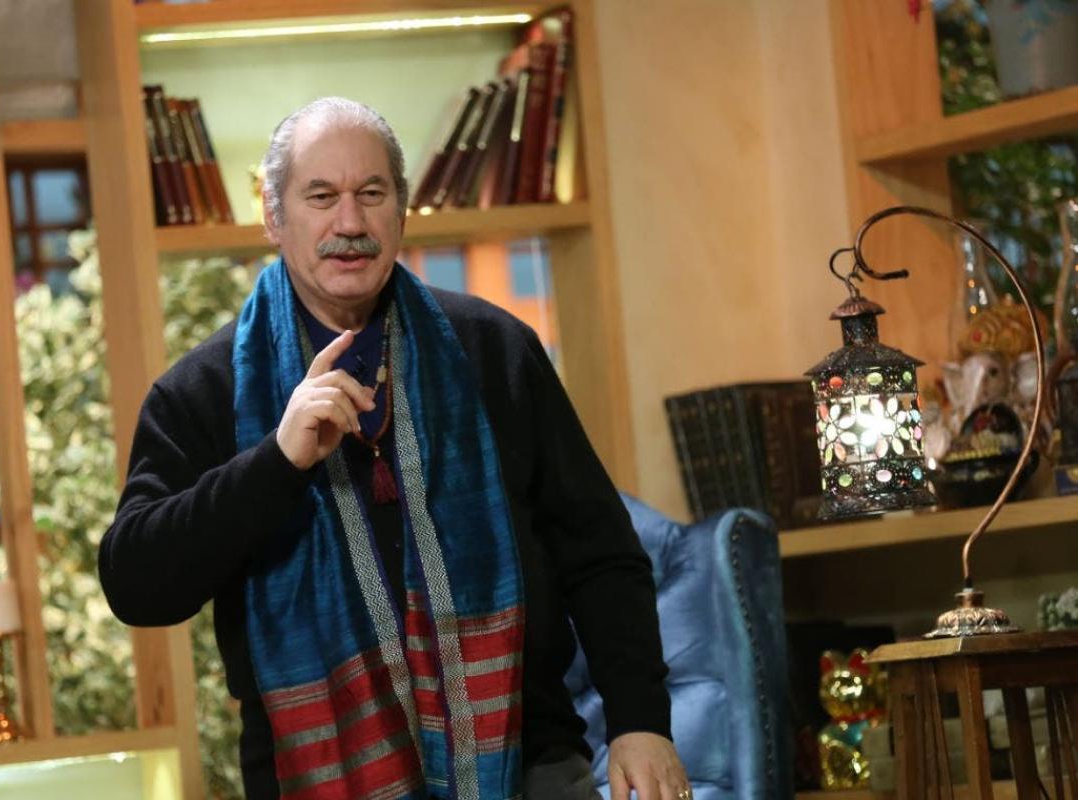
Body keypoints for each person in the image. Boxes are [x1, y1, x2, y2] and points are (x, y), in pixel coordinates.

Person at [100, 97, 690, 800]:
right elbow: (136, 585)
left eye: (371, 194)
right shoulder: (202, 391)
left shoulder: (494, 349)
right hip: (315, 778)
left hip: (526, 757)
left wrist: (639, 721)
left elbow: (599, 550)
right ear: (274, 217)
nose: (349, 223)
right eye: (321, 197)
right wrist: (276, 462)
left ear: (402, 212)